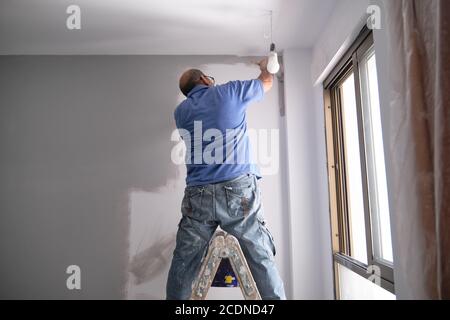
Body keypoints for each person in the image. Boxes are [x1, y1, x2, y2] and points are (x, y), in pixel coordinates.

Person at [166, 58, 286, 300]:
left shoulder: (181, 113)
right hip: (237, 191)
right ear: (204, 80)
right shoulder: (228, 92)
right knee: (259, 254)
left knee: (183, 262)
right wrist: (264, 66)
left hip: (197, 195)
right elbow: (267, 82)